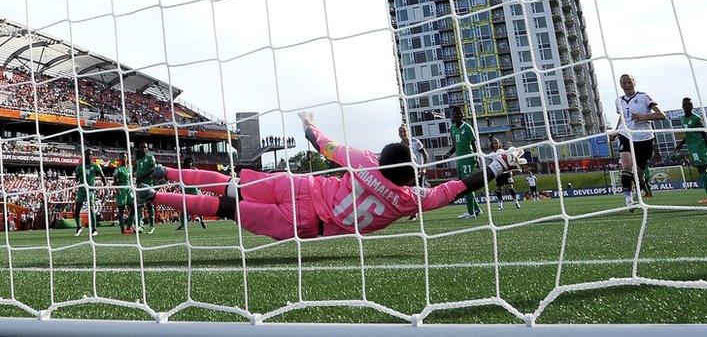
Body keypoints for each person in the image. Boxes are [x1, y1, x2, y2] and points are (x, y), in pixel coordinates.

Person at [137, 112, 525, 240]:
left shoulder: (363, 160)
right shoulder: (409, 198)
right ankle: (153, 195)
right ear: (409, 178)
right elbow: (452, 188)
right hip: (308, 222)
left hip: (301, 186)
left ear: (380, 160)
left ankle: (161, 171)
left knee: (229, 182)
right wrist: (494, 166)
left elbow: (326, 147)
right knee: (225, 206)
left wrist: (310, 128)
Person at [614, 74, 665, 208]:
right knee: (627, 165)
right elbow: (623, 119)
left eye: (629, 82)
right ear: (621, 85)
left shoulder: (644, 97)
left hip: (644, 138)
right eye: (624, 83)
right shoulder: (618, 101)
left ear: (634, 83)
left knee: (639, 173)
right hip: (626, 135)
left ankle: (641, 185)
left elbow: (661, 115)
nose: (627, 85)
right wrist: (615, 131)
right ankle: (628, 199)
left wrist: (643, 117)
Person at [673, 97, 707, 204]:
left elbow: (704, 135)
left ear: (692, 106)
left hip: (699, 147)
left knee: (702, 169)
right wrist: (680, 145)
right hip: (693, 148)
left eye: (689, 105)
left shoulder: (696, 118)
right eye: (685, 105)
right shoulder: (683, 119)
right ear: (682, 106)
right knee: (701, 170)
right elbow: (688, 135)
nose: (687, 106)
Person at [445, 106, 480, 219]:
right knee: (463, 186)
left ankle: (471, 213)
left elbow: (474, 145)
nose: (459, 115)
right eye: (456, 114)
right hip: (460, 160)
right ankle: (477, 209)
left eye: (461, 113)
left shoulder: (468, 128)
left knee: (466, 186)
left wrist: (477, 158)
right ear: (453, 116)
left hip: (468, 159)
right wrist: (448, 154)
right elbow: (455, 145)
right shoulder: (453, 129)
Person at [73, 150, 102, 237]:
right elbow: (77, 177)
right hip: (81, 189)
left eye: (90, 155)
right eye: (87, 155)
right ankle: (79, 227)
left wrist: (104, 183)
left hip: (90, 190)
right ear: (84, 156)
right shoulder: (79, 167)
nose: (89, 156)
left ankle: (94, 229)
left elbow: (103, 176)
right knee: (77, 209)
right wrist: (77, 179)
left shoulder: (95, 166)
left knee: (91, 208)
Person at [175, 155, 207, 231]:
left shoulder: (194, 169)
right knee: (183, 209)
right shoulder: (182, 171)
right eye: (188, 162)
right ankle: (183, 225)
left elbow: (198, 177)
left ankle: (202, 221)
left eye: (190, 162)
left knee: (197, 208)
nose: (189, 164)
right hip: (186, 190)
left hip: (193, 190)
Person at [489, 137, 521, 210]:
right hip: (499, 173)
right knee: (498, 189)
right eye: (494, 143)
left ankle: (516, 202)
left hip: (506, 172)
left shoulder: (504, 151)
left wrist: (511, 170)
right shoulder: (491, 154)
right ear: (492, 144)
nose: (496, 144)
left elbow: (509, 160)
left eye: (497, 142)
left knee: (510, 187)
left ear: (499, 143)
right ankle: (500, 205)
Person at [134, 143, 158, 234]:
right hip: (139, 184)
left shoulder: (150, 158)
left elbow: (153, 169)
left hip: (148, 184)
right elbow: (136, 170)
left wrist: (143, 176)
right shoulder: (138, 159)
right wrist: (136, 176)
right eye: (142, 147)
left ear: (147, 149)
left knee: (149, 204)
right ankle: (140, 226)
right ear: (139, 149)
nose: (144, 148)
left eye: (145, 147)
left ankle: (152, 226)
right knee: (139, 205)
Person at [112, 156, 137, 234]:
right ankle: (123, 230)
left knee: (133, 209)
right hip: (122, 190)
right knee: (121, 210)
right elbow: (114, 182)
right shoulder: (118, 169)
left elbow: (131, 178)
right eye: (121, 158)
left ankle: (129, 227)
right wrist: (117, 189)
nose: (123, 159)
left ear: (127, 158)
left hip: (129, 190)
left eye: (124, 157)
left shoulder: (130, 167)